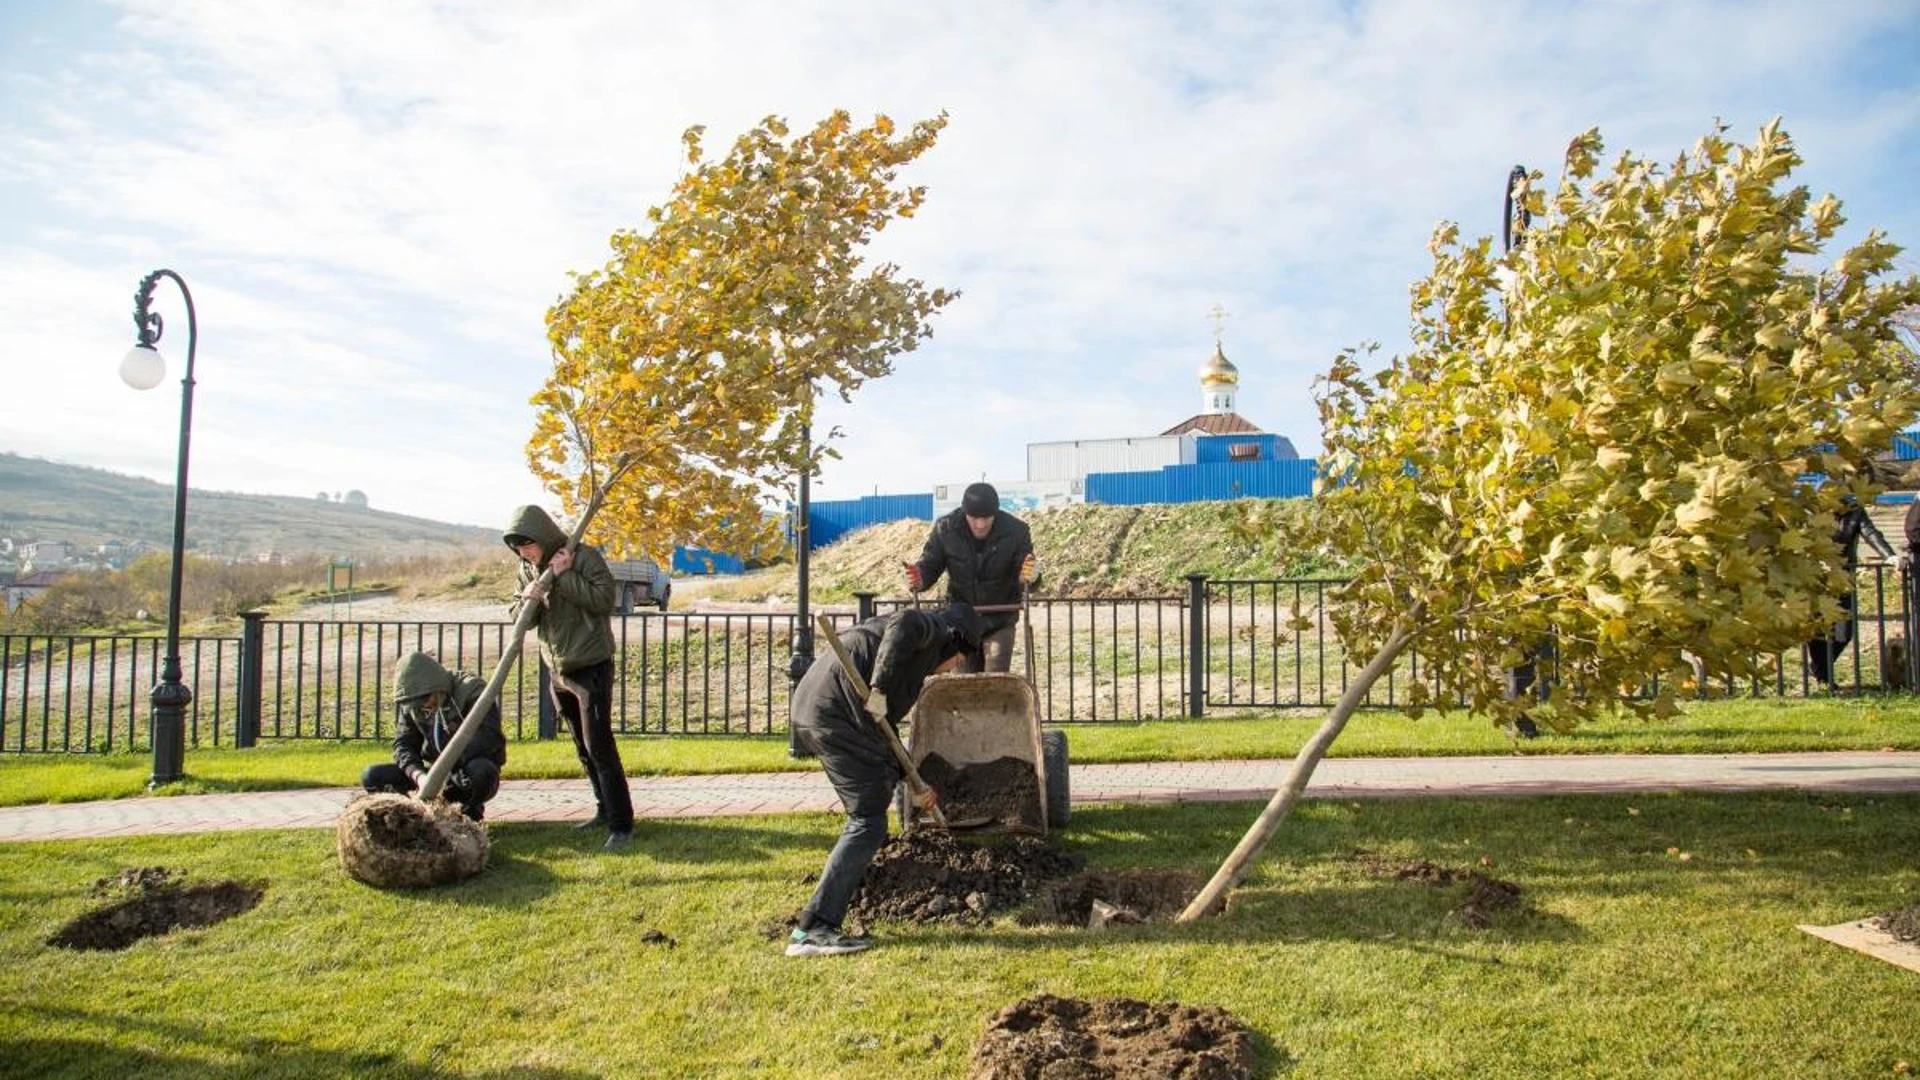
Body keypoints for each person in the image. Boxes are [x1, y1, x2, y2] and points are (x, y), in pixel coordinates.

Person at [784, 603, 984, 957]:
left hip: (824, 710)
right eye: (957, 661)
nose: (952, 670)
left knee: (874, 797)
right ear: (955, 644)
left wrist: (913, 781)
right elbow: (905, 621)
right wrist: (880, 688)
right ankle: (813, 930)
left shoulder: (910, 656)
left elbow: (883, 732)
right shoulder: (931, 628)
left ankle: (815, 926)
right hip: (833, 713)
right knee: (867, 820)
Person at [505, 505, 632, 850]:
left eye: (528, 545)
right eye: (518, 549)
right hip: (557, 668)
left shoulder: (583, 557)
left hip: (590, 664)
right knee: (581, 746)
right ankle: (603, 810)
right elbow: (522, 619)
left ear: (543, 537)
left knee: (599, 745)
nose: (524, 553)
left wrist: (564, 575)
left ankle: (622, 825)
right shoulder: (526, 570)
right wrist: (527, 600)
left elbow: (604, 600)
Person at [904, 482, 1037, 673]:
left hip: (1000, 618)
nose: (981, 525)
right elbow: (930, 564)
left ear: (996, 513)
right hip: (961, 621)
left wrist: (1029, 575)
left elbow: (1024, 568)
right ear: (964, 512)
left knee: (996, 681)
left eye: (987, 518)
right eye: (974, 518)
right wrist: (919, 578)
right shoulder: (945, 529)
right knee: (962, 685)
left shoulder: (1017, 531)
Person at [361, 651, 506, 822]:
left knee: (482, 771)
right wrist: (420, 777)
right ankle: (412, 818)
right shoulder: (412, 704)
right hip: (430, 778)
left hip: (463, 773)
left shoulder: (471, 691)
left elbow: (488, 742)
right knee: (372, 775)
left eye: (425, 700)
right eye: (416, 704)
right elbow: (403, 746)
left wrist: (446, 778)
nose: (424, 707)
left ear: (436, 688)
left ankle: (468, 814)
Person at [1806, 501, 1894, 689]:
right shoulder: (1813, 508)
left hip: (1844, 578)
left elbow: (1871, 534)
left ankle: (1818, 668)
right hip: (1816, 579)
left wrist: (1889, 556)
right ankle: (1824, 677)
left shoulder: (1855, 511)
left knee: (1844, 632)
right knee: (1817, 630)